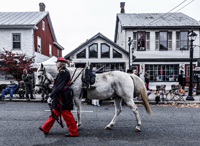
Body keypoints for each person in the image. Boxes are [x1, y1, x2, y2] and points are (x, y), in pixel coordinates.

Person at [39, 57, 78, 137]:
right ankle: (45, 128)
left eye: (57, 63)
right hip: (62, 95)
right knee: (55, 112)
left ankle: (74, 132)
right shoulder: (62, 71)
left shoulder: (63, 72)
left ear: (60, 64)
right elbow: (58, 85)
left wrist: (51, 96)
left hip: (62, 96)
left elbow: (59, 86)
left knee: (66, 114)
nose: (56, 65)